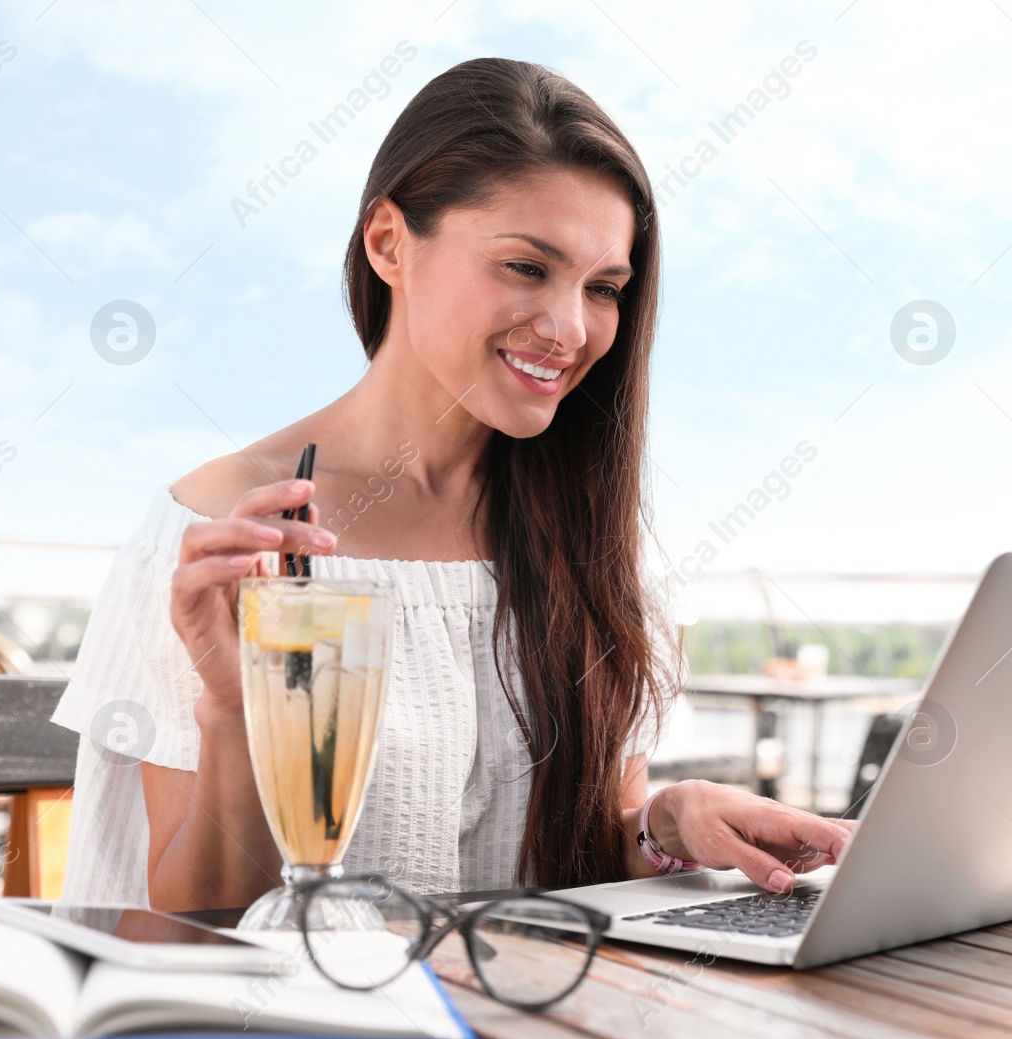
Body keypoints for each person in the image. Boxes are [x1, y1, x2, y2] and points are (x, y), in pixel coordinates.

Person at [51, 57, 852, 911]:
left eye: (605, 287)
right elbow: (178, 940)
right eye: (526, 267)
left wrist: (662, 820)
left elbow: (567, 865)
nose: (571, 329)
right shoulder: (221, 533)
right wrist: (237, 713)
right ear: (389, 242)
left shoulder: (580, 533)